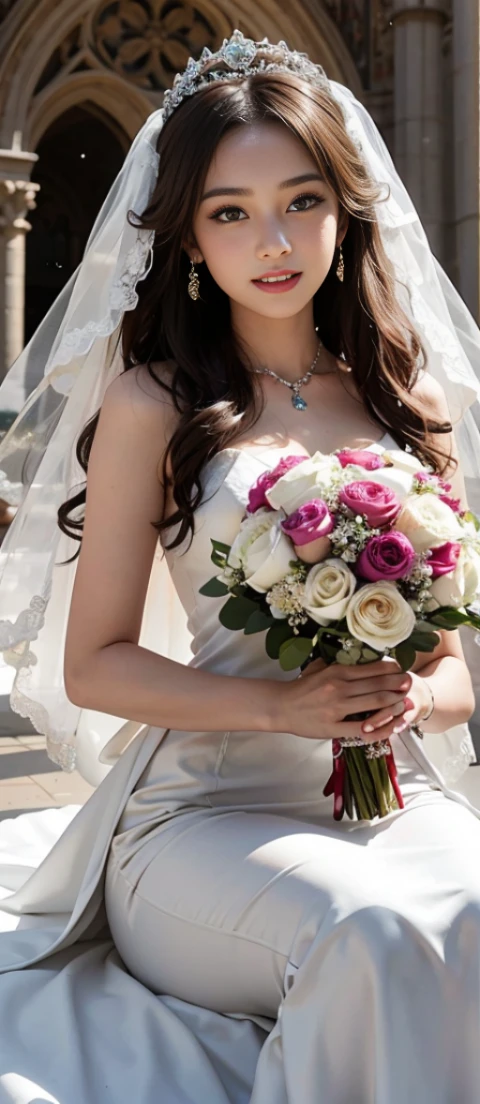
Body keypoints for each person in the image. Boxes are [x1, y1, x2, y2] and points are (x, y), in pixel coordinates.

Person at [1, 31, 480, 1104]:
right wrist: (284, 709)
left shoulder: (412, 409)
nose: (274, 239)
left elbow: (457, 676)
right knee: (368, 933)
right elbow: (97, 668)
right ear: (186, 239)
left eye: (301, 200)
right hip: (197, 823)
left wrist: (405, 702)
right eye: (230, 211)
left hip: (383, 806)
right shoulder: (152, 405)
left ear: (344, 213)